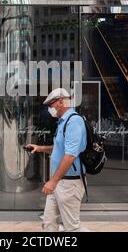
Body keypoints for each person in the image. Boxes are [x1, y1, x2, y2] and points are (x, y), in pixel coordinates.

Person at [26, 88, 87, 232]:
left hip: (69, 184)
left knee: (72, 228)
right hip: (59, 181)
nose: (49, 109)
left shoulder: (74, 121)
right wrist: (40, 148)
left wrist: (53, 182)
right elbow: (60, 149)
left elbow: (70, 155)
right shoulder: (63, 122)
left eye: (50, 105)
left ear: (61, 102)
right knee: (48, 223)